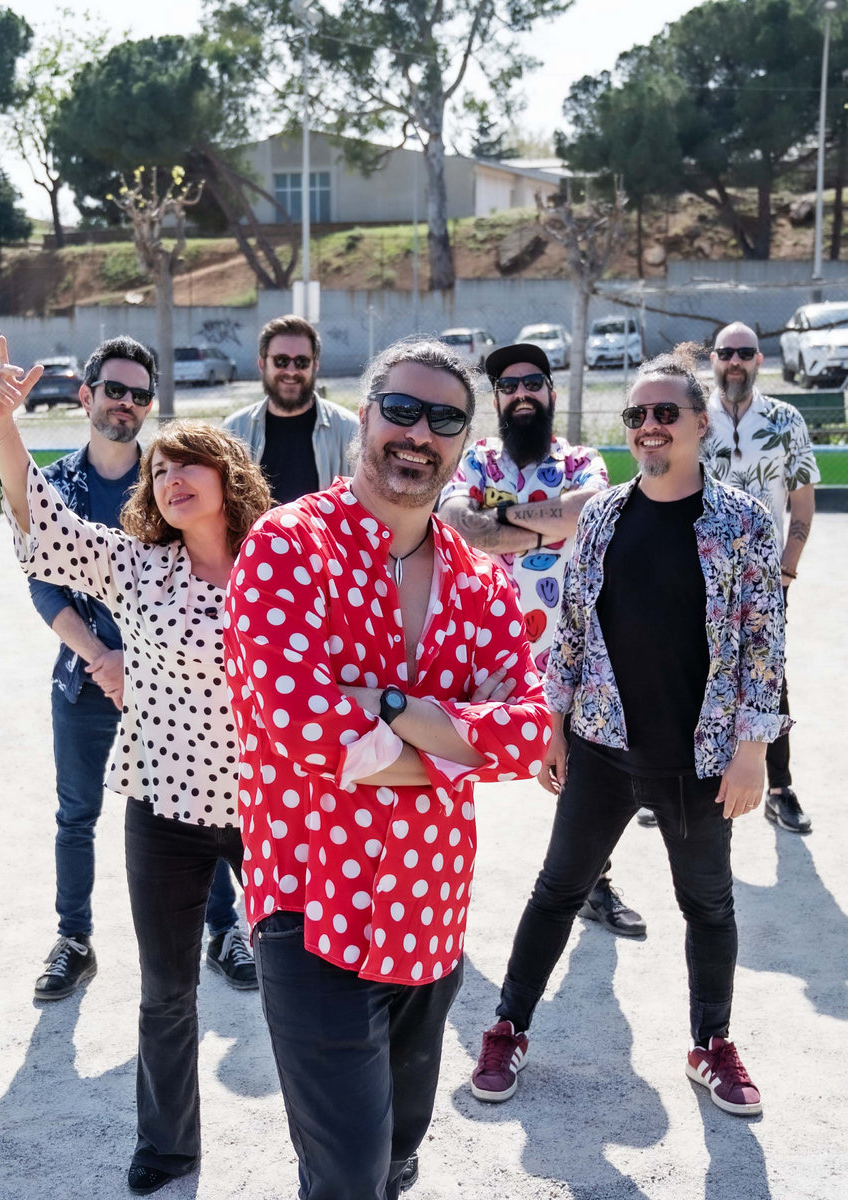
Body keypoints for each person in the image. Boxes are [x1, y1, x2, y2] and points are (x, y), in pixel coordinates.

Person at [224, 339, 551, 1199]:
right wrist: (456, 749)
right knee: (347, 1175)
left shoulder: (484, 583)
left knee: (400, 1152)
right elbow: (304, 729)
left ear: (465, 442)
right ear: (364, 417)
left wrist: (390, 704)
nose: (418, 434)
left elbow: (531, 731)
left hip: (429, 909)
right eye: (401, 410)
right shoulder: (288, 546)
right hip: (312, 905)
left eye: (444, 419)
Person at [0, 337, 272, 1196]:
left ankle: (333, 1141)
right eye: (161, 469)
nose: (171, 478)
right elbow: (44, 527)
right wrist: (4, 426)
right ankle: (169, 1146)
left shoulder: (279, 567)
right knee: (166, 990)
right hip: (165, 809)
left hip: (267, 808)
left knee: (304, 986)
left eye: (189, 464)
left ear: (228, 477)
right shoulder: (137, 565)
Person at [468, 345, 788, 1118]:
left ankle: (711, 1044)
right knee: (557, 891)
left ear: (700, 423)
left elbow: (763, 643)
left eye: (665, 412)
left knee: (708, 906)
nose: (648, 425)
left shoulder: (743, 521)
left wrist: (753, 752)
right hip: (602, 746)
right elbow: (574, 630)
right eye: (637, 413)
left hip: (703, 758)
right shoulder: (604, 514)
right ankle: (508, 1027)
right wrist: (552, 726)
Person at [27, 336, 252, 1003]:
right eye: (114, 389)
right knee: (77, 814)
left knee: (201, 801)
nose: (125, 402)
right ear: (86, 395)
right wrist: (103, 658)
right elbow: (44, 581)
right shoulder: (59, 483)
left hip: (173, 684)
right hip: (87, 678)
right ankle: (74, 938)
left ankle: (223, 931)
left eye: (138, 393)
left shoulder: (170, 476)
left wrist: (145, 661)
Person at [439, 342, 646, 938]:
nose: (521, 394)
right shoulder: (476, 460)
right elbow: (455, 522)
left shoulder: (581, 460)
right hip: (478, 648)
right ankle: (432, 885)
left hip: (567, 650)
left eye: (532, 382)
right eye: (508, 386)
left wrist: (499, 528)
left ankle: (593, 883)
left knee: (586, 773)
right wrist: (543, 529)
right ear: (497, 401)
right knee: (443, 756)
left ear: (551, 393)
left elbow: (586, 510)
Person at [703, 321, 819, 834]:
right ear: (712, 359)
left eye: (745, 353)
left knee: (769, 679)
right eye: (726, 352)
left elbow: (802, 504)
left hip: (765, 582)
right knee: (687, 673)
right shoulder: (692, 416)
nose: (735, 361)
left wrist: (786, 571)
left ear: (759, 360)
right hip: (699, 576)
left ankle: (779, 788)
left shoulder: (785, 420)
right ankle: (673, 780)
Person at [223, 314, 357, 504]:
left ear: (315, 366)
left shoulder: (349, 431)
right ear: (262, 364)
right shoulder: (233, 432)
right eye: (281, 360)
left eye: (302, 361)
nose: (292, 371)